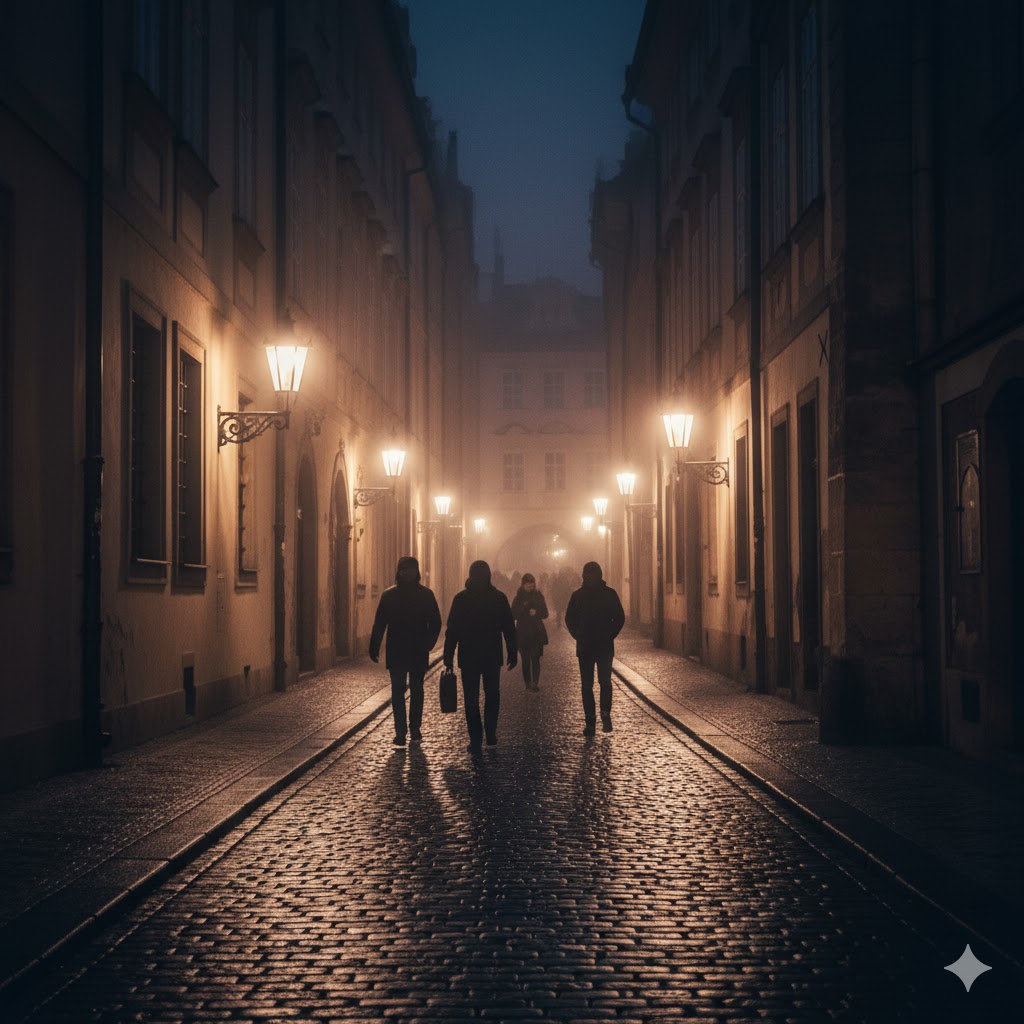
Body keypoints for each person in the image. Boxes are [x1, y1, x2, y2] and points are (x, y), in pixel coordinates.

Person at [443, 560, 517, 754]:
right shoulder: (498, 598)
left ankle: (476, 738)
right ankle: (491, 732)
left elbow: (452, 630)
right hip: (491, 654)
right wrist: (512, 651)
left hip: (468, 655)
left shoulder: (461, 599)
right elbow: (508, 627)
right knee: (493, 694)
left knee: (471, 698)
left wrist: (448, 655)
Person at [369, 556, 442, 746]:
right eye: (404, 570)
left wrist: (429, 642)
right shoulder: (402, 595)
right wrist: (374, 645)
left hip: (407, 648)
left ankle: (408, 730)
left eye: (409, 570)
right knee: (407, 690)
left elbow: (436, 622)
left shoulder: (400, 595)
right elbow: (380, 624)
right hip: (407, 648)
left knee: (407, 690)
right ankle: (407, 730)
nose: (407, 573)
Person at [564, 561, 626, 736]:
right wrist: (610, 634)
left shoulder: (578, 595)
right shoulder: (609, 594)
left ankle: (591, 721)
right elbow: (619, 618)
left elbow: (569, 619)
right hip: (602, 645)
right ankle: (604, 716)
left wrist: (578, 635)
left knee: (588, 685)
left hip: (587, 646)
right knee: (604, 682)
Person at [510, 572, 549, 691]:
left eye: (532, 586)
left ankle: (535, 683)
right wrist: (525, 608)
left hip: (536, 632)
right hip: (523, 632)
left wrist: (537, 612)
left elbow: (545, 613)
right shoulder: (518, 598)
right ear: (523, 585)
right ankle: (528, 683)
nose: (531, 588)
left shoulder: (538, 596)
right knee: (526, 660)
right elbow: (513, 614)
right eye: (528, 586)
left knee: (535, 658)